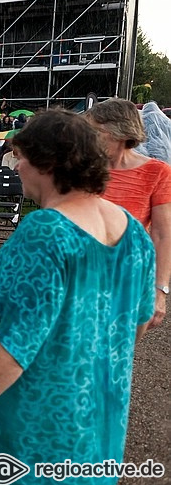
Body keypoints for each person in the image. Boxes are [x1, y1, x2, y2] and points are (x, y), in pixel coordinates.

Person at [0, 109, 155, 485]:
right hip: (94, 416)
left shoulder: (46, 233)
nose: (18, 165)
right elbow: (137, 323)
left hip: (35, 424)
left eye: (23, 156)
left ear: (49, 163)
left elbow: (18, 339)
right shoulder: (133, 232)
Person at [86, 98, 171, 329]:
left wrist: (160, 291)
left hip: (128, 278)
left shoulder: (157, 172)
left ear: (120, 133)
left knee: (116, 354)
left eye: (96, 131)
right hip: (81, 273)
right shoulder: (83, 168)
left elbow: (163, 235)